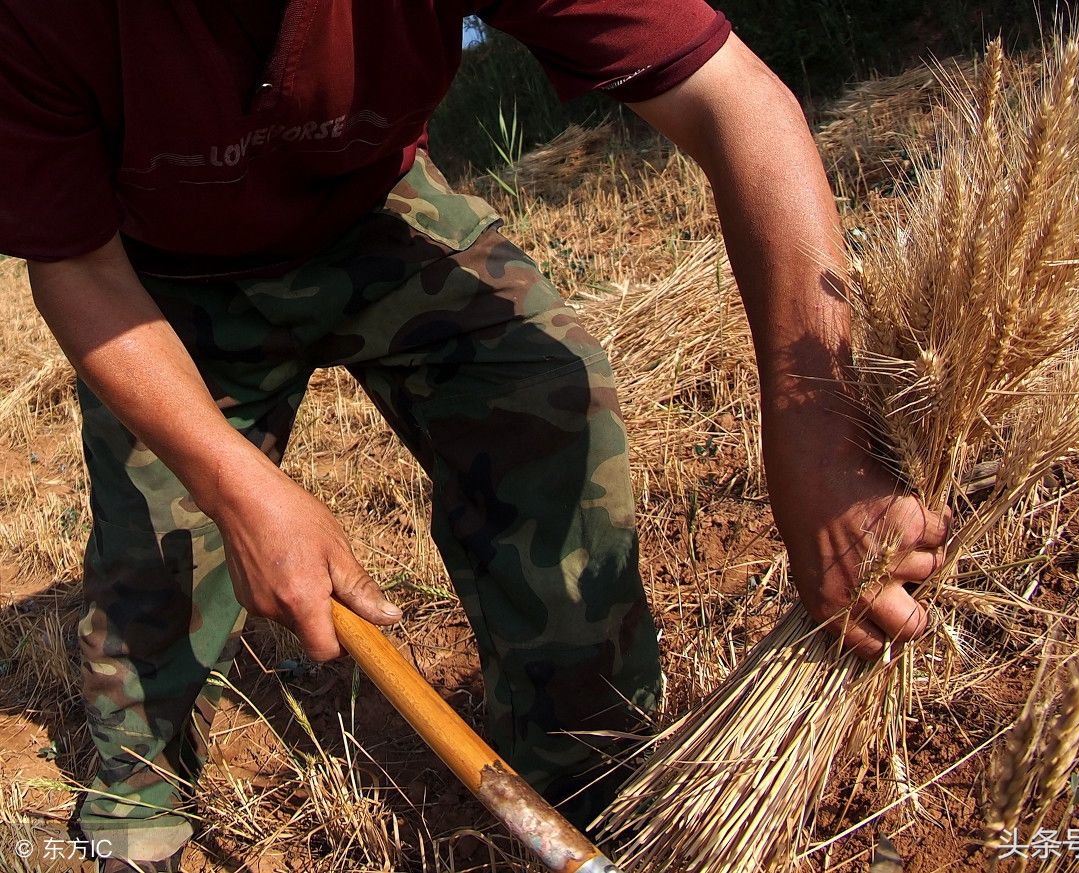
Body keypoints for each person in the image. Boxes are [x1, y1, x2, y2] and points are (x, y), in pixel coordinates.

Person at [0, 2, 949, 870]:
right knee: (161, 552)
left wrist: (820, 428)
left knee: (549, 393)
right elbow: (76, 265)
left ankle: (586, 764)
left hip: (375, 206)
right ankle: (139, 787)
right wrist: (232, 480)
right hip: (161, 279)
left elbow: (736, 101)